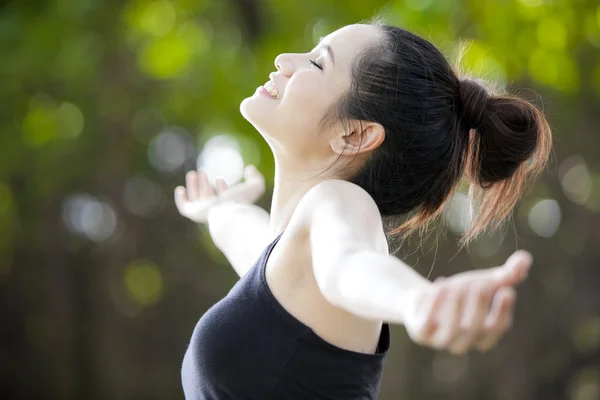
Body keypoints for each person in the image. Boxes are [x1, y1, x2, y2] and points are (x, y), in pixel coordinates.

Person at [175, 19, 552, 400]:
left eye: (318, 63)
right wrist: (217, 209)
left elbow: (349, 263)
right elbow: (241, 231)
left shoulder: (341, 201)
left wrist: (417, 301)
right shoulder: (283, 260)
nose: (285, 60)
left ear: (353, 134)